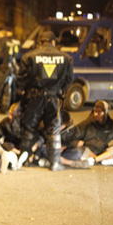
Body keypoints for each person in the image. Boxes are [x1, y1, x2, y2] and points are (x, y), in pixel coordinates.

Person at [17, 30, 73, 171]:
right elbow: (69, 80)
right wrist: (59, 90)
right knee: (53, 129)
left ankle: (24, 160)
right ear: (54, 42)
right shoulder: (66, 58)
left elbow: (21, 80)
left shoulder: (29, 56)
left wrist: (29, 92)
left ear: (40, 42)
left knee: (29, 128)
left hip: (34, 97)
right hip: (54, 98)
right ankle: (54, 163)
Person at [60, 101, 113, 168]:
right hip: (88, 152)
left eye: (99, 112)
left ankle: (95, 160)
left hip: (103, 152)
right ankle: (102, 160)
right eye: (95, 111)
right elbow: (72, 136)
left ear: (105, 113)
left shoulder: (112, 125)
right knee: (77, 152)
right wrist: (77, 143)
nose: (96, 114)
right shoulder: (87, 123)